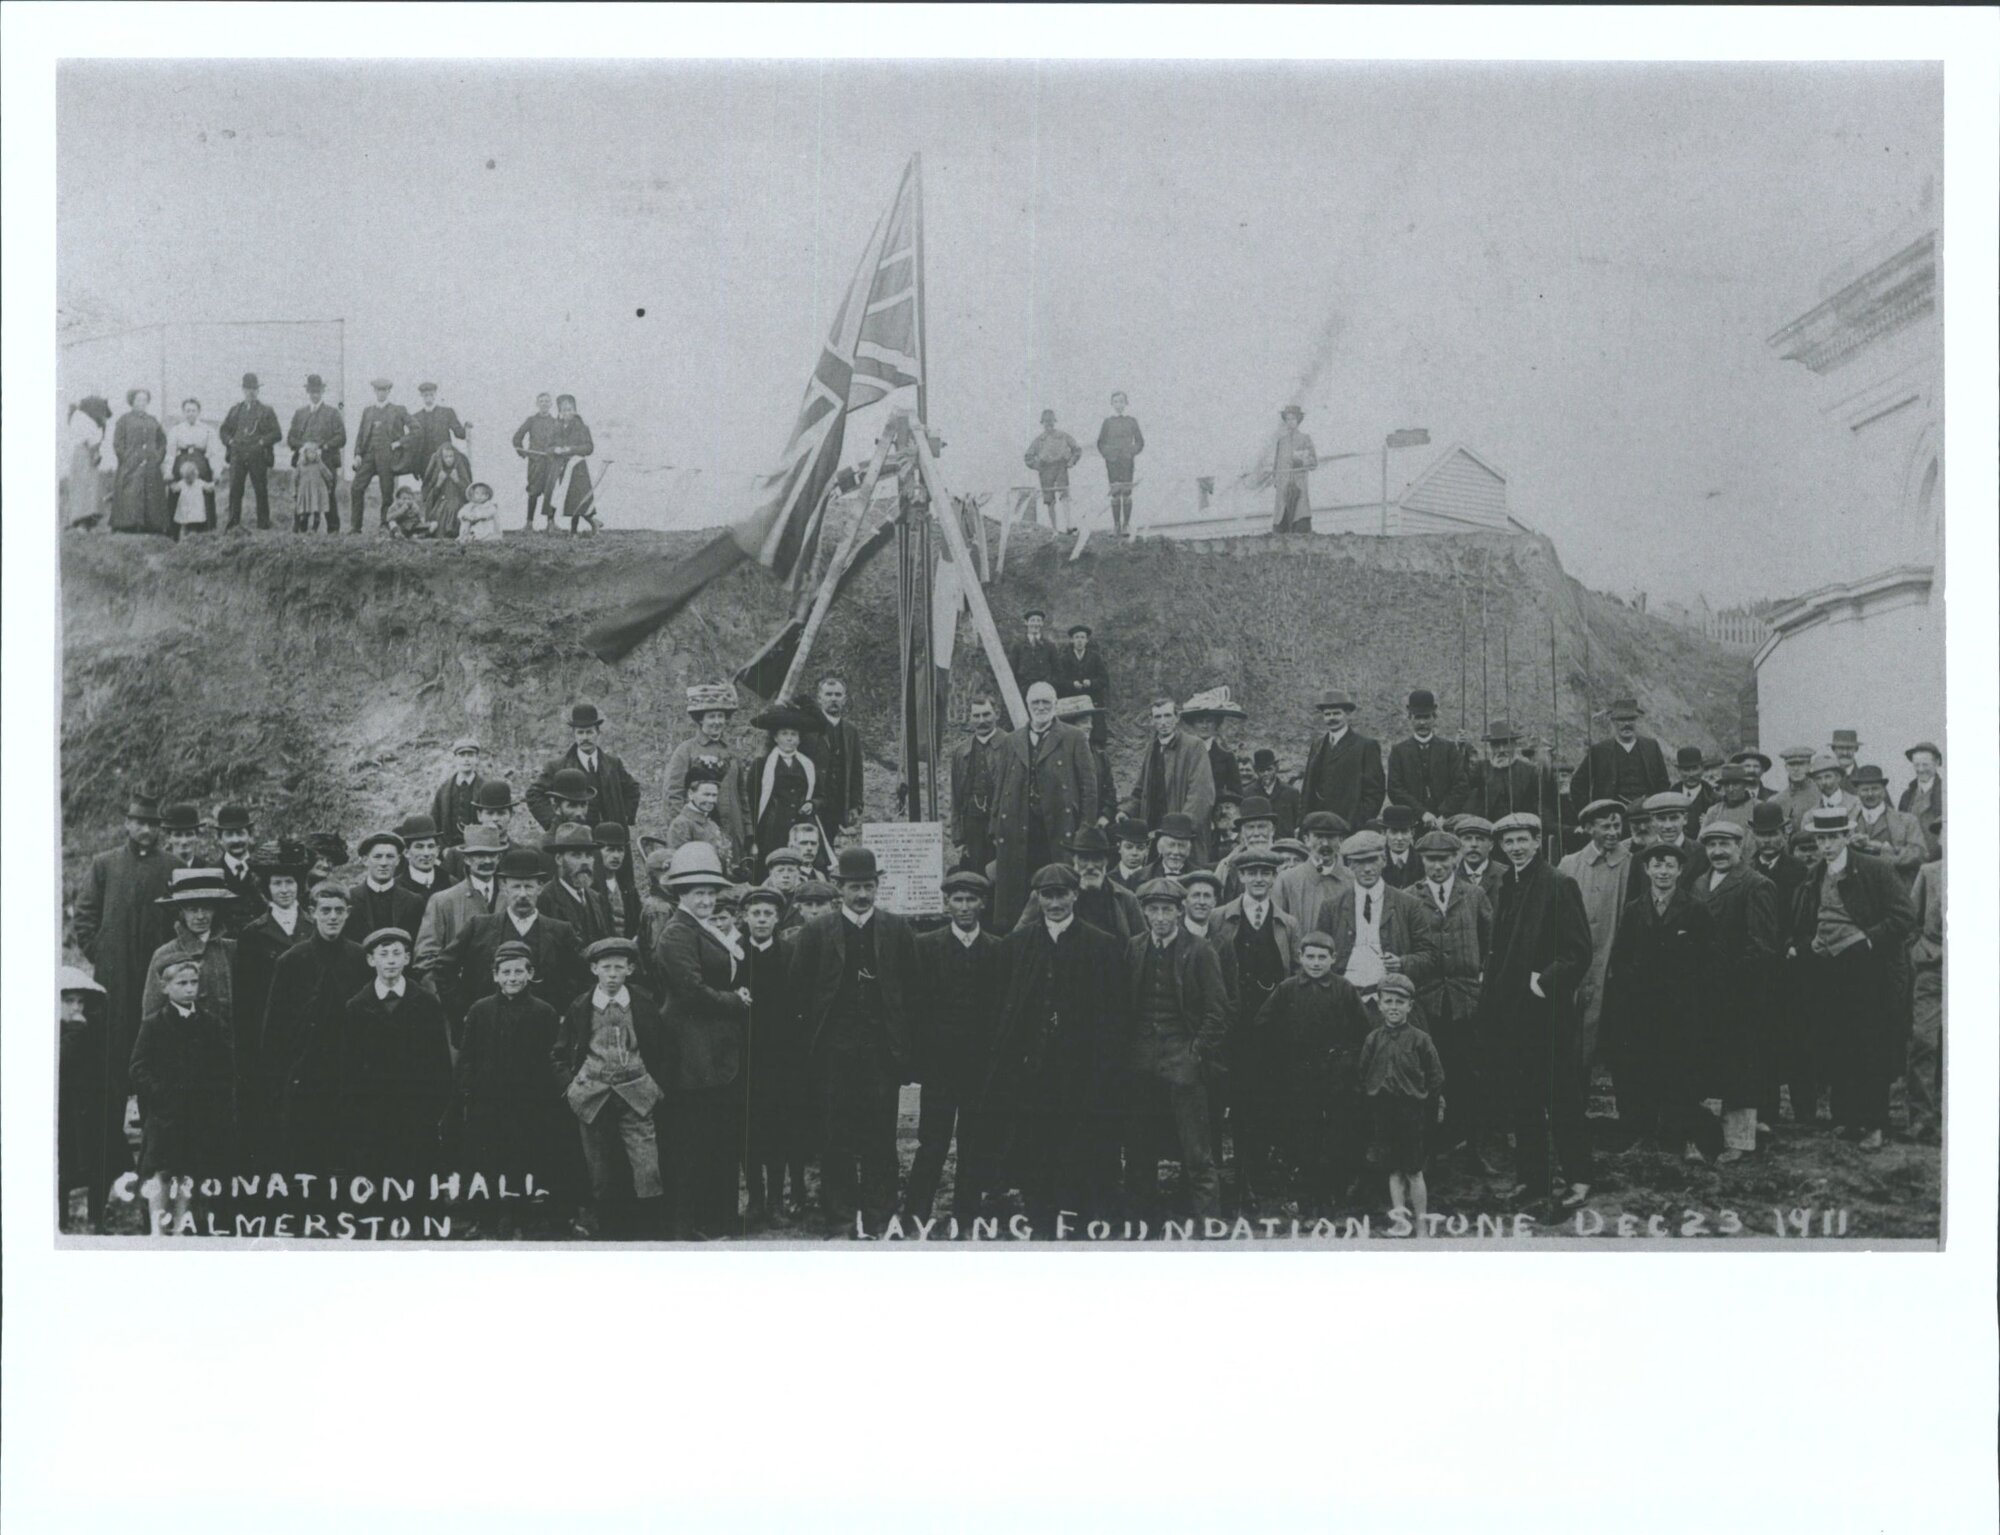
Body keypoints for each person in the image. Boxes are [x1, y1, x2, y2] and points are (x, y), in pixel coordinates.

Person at [983, 864, 1128, 1228]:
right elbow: (1004, 1007)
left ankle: (1078, 1217)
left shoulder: (1102, 945)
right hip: (1034, 1069)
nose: (1055, 903)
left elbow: (1114, 1016)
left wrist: (1104, 1068)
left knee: (1079, 1145)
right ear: (1038, 899)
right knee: (1035, 1144)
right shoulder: (1017, 945)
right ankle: (1041, 1216)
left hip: (1080, 1070)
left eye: (1062, 894)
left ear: (1075, 895)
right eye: (1047, 895)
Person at [790, 847, 918, 1237]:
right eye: (854, 887)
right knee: (836, 1138)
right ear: (839, 888)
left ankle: (880, 1216)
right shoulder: (816, 932)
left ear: (877, 886)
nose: (862, 895)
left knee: (881, 1138)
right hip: (834, 1054)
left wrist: (904, 1051)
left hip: (881, 1054)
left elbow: (912, 993)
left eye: (868, 886)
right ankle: (841, 1216)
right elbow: (799, 994)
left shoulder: (896, 930)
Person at [1482, 811, 1594, 1211]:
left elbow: (1578, 952)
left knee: (1561, 1096)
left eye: (1522, 839)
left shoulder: (1558, 883)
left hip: (1547, 1014)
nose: (1515, 847)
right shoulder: (1506, 884)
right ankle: (1534, 1178)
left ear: (1536, 840)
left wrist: (1542, 981)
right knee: (1524, 1099)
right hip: (1512, 1013)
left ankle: (1579, 1178)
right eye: (1508, 841)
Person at [1788, 808, 1915, 1150]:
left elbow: (1904, 916)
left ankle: (1874, 1123)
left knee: (1869, 1044)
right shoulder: (1814, 875)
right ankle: (1847, 1118)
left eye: (1832, 838)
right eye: (1820, 838)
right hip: (1828, 969)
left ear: (1846, 836)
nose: (1826, 845)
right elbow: (1806, 920)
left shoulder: (1874, 869)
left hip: (1868, 968)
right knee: (1837, 1042)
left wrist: (1867, 939)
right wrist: (1810, 942)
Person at [288, 927, 452, 1190]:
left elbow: (439, 1065)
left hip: (415, 1116)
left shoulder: (425, 1003)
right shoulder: (356, 1007)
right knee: (376, 1186)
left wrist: (429, 1110)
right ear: (370, 960)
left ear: (407, 959)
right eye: (383, 953)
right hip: (372, 1120)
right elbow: (347, 1070)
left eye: (397, 953)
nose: (390, 960)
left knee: (416, 1184)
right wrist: (356, 1115)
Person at [1601, 841, 1720, 1160]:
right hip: (1642, 1009)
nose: (1663, 871)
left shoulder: (1695, 909)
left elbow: (1709, 960)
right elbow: (1620, 957)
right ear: (1647, 870)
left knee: (1679, 1072)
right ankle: (1642, 1134)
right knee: (1642, 1069)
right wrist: (1633, 989)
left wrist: (1690, 994)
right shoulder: (1634, 909)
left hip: (1681, 1010)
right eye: (1657, 865)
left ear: (1680, 871)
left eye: (1669, 865)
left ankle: (1679, 1137)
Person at [656, 844, 751, 1239]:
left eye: (712, 892)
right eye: (698, 892)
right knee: (693, 1140)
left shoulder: (705, 929)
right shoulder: (677, 933)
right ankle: (690, 1223)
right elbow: (690, 991)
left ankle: (718, 1219)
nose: (707, 899)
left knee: (717, 1137)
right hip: (691, 1051)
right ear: (680, 894)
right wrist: (735, 1000)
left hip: (716, 1050)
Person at [1123, 877, 1228, 1223]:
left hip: (1182, 1059)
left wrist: (1195, 1053)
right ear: (1144, 912)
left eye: (1167, 909)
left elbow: (1217, 1012)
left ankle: (1208, 1221)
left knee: (1197, 1149)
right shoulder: (1135, 947)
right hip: (1141, 1060)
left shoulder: (1199, 950)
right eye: (1153, 910)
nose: (1161, 917)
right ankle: (1143, 1222)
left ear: (1179, 911)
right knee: (1140, 1148)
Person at [553, 935, 672, 1239]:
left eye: (619, 968)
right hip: (592, 1094)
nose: (612, 975)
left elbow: (662, 1048)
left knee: (647, 1165)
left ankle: (651, 1230)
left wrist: (656, 1085)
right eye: (606, 967)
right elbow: (560, 1053)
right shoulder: (581, 1006)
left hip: (637, 1092)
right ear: (594, 969)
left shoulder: (644, 1003)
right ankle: (609, 1230)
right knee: (600, 1169)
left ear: (630, 969)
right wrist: (571, 1087)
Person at [905, 870, 1006, 1221]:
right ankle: (916, 1213)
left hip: (980, 1068)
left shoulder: (996, 950)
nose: (964, 907)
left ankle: (967, 1215)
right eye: (958, 900)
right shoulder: (926, 946)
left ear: (983, 903)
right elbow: (915, 1008)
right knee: (932, 1142)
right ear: (947, 903)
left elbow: (999, 1011)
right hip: (940, 1067)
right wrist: (920, 1062)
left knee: (974, 1143)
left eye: (971, 900)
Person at [451, 940, 569, 1232]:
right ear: (495, 976)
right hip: (488, 1102)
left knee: (526, 1156)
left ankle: (524, 1217)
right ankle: (488, 1217)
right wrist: (469, 1089)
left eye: (519, 972)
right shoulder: (481, 1010)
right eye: (505, 972)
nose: (512, 978)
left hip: (530, 1103)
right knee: (489, 1159)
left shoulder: (544, 1012)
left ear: (530, 974)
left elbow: (552, 1057)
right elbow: (467, 1057)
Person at [1254, 931, 1372, 1213]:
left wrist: (1347, 1062)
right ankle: (1305, 1202)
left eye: (1322, 957)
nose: (1316, 963)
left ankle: (1335, 1201)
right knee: (1302, 1139)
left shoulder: (1344, 989)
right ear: (1300, 958)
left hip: (1336, 1077)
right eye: (1310, 957)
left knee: (1335, 1138)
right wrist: (1282, 1058)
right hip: (1298, 1076)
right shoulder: (1287, 989)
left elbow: (1363, 1031)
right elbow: (1263, 1025)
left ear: (1334, 959)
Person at [257, 884, 370, 1160]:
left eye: (339, 911)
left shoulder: (359, 959)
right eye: (326, 910)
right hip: (304, 1077)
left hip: (348, 1074)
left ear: (348, 914)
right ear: (313, 913)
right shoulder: (292, 961)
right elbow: (274, 1030)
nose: (332, 917)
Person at [434, 847, 585, 1048]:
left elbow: (580, 976)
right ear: (504, 887)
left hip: (542, 1035)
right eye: (516, 887)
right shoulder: (479, 926)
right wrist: (463, 1010)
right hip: (489, 1034)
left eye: (529, 887)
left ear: (540, 887)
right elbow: (444, 968)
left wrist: (566, 1014)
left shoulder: (560, 931)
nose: (522, 894)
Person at [1691, 820, 1780, 1161]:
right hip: (1704, 994)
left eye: (1725, 844)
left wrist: (1729, 980)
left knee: (1741, 1068)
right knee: (1710, 1067)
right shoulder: (1699, 883)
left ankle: (1740, 1142)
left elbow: (1762, 946)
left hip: (1741, 995)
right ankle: (1708, 1138)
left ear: (1741, 846)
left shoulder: (1757, 885)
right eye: (1711, 845)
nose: (1717, 851)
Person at [129, 956, 238, 1233]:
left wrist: (212, 1098)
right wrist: (161, 1093)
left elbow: (225, 1067)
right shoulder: (154, 1023)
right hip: (166, 1116)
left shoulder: (210, 1023)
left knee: (189, 1173)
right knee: (162, 1171)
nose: (189, 988)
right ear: (166, 988)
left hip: (198, 1115)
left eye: (193, 982)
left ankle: (180, 1227)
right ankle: (157, 1230)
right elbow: (138, 1067)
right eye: (182, 983)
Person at [1211, 846, 1295, 1201]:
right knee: (1234, 1099)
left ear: (1274, 877)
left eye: (1265, 873)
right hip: (1234, 1023)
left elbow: (1292, 973)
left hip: (1272, 1026)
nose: (1259, 879)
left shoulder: (1287, 923)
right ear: (1241, 877)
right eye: (1252, 872)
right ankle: (1233, 1179)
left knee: (1268, 1098)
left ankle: (1260, 1176)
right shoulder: (1220, 918)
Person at [988, 680, 1099, 930]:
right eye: (1035, 702)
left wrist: (1085, 831)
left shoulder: (1074, 737)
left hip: (1059, 831)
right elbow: (1000, 786)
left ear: (1055, 705)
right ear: (1027, 706)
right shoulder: (1012, 740)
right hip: (1019, 831)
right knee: (1016, 899)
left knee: (1059, 890)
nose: (1040, 707)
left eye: (1046, 702)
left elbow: (1089, 789)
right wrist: (995, 828)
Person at [1411, 827, 1491, 1162]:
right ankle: (1429, 1149)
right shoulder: (1409, 896)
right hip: (1426, 1001)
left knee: (1468, 1074)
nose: (1438, 867)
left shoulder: (1472, 895)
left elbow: (1489, 941)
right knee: (1428, 1074)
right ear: (1422, 861)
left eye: (1444, 859)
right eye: (1431, 860)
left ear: (1456, 859)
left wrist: (1478, 978)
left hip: (1465, 1001)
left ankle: (1472, 1146)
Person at [1321, 830, 1439, 1010]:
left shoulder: (1408, 905)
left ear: (1384, 860)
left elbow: (1430, 956)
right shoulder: (1332, 907)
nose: (1367, 869)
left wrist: (1402, 962)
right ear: (1349, 865)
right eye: (1360, 862)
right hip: (1343, 1002)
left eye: (1373, 860)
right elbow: (1320, 955)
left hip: (1391, 1003)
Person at [1359, 973, 1445, 1218]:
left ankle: (1421, 1219)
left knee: (1414, 1170)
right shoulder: (1373, 1039)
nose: (1393, 1007)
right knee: (1393, 1169)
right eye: (1388, 1001)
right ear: (1380, 1003)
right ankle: (1400, 1217)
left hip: (1412, 1113)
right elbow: (1363, 1072)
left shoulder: (1420, 1039)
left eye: (1400, 1002)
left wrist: (1431, 1105)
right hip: (1384, 1111)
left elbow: (1436, 1076)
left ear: (1410, 1005)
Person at [1556, 799, 1632, 1067]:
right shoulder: (1569, 864)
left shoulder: (1631, 864)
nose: (1613, 832)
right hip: (1575, 960)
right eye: (1605, 826)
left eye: (1617, 825)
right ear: (1589, 828)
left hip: (1612, 959)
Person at [58, 967, 116, 1230]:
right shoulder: (60, 1033)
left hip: (88, 1111)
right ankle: (60, 1220)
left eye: (80, 1001)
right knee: (62, 1168)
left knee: (98, 1166)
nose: (76, 1008)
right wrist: (73, 1033)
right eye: (69, 1001)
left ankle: (97, 1218)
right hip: (63, 1113)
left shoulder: (90, 1031)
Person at [415, 825, 504, 996]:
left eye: (492, 855)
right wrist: (444, 998)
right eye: (479, 855)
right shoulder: (443, 901)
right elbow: (426, 959)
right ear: (467, 859)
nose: (487, 861)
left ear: (499, 857)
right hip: (461, 997)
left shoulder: (511, 898)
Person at [527, 702, 643, 831]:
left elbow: (632, 789)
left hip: (611, 838)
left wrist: (625, 816)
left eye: (589, 732)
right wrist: (553, 824)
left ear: (598, 733)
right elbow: (533, 794)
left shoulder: (613, 764)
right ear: (574, 735)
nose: (585, 738)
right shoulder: (558, 767)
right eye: (580, 733)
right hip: (576, 840)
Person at [664, 684, 750, 854]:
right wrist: (683, 830)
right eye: (711, 716)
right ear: (701, 719)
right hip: (699, 832)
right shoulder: (686, 751)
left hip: (734, 829)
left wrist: (748, 830)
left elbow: (742, 794)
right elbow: (673, 794)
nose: (717, 721)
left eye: (721, 716)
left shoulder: (732, 752)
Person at [1132, 695, 1217, 862]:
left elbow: (1201, 794)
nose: (1163, 722)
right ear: (1152, 721)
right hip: (1154, 830)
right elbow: (1141, 788)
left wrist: (1181, 829)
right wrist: (1126, 810)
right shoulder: (1152, 749)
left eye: (1167, 715)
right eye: (1158, 717)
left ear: (1177, 718)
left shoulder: (1194, 746)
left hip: (1182, 836)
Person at [1905, 820, 1943, 1144]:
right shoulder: (1930, 873)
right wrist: (1922, 950)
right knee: (1924, 1040)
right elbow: (1910, 920)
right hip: (1933, 968)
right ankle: (1922, 1117)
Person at [1301, 691, 1386, 830]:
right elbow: (1307, 789)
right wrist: (1304, 822)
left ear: (1347, 714)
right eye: (1327, 714)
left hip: (1349, 825)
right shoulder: (1317, 745)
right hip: (1318, 824)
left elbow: (1375, 792)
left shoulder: (1365, 746)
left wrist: (1358, 822)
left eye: (1336, 713)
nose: (1331, 718)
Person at [747, 701, 821, 861]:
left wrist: (812, 804)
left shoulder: (807, 765)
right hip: (772, 829)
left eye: (793, 734)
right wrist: (753, 835)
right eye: (784, 734)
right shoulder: (762, 765)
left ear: (799, 739)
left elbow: (821, 795)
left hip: (800, 827)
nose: (789, 739)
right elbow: (751, 801)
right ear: (775, 737)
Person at [1570, 696, 1670, 811]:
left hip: (1646, 812)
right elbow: (1578, 784)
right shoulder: (1599, 750)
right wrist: (1590, 812)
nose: (1626, 724)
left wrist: (1659, 808)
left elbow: (1663, 782)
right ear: (1613, 721)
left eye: (1631, 719)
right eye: (1621, 720)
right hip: (1612, 815)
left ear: (1637, 720)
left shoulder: (1651, 746)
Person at [1386, 690, 1469, 828]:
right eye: (1417, 717)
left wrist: (1444, 815)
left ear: (1434, 717)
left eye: (1426, 717)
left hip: (1446, 823)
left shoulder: (1449, 749)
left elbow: (1461, 786)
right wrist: (1422, 814)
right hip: (1412, 823)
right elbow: (1395, 789)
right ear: (1410, 717)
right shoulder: (1398, 751)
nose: (1422, 723)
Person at [948, 692, 1007, 877]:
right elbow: (955, 796)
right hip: (973, 823)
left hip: (1001, 823)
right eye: (976, 715)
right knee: (975, 874)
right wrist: (958, 835)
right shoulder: (961, 751)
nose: (981, 721)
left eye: (986, 714)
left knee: (1001, 876)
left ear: (997, 714)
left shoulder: (1011, 744)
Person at [1455, 719, 1556, 827]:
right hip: (1488, 828)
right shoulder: (1481, 768)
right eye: (1496, 745)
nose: (1501, 750)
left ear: (1514, 745)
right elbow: (1462, 782)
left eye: (1506, 744)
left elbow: (1542, 805)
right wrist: (1461, 750)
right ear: (1491, 747)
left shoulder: (1529, 771)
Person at [1271, 809, 1354, 939]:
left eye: (1331, 837)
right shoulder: (1287, 880)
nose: (1325, 843)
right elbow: (1278, 928)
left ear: (1341, 841)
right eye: (1319, 836)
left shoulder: (1351, 880)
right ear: (1306, 840)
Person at [217, 373, 282, 532]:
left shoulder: (266, 411)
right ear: (243, 390)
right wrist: (231, 442)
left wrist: (261, 442)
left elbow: (277, 434)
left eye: (254, 389)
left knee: (260, 490)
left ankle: (263, 525)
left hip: (257, 455)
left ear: (258, 390)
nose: (250, 392)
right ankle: (233, 525)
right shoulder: (235, 410)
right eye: (247, 389)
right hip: (238, 455)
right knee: (235, 490)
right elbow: (223, 431)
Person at [536, 823, 615, 948]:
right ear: (559, 859)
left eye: (589, 855)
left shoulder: (597, 899)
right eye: (576, 855)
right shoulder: (544, 899)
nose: (584, 862)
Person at [804, 675, 864, 834]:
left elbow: (856, 770)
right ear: (819, 698)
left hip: (838, 803)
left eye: (838, 695)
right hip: (813, 802)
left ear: (844, 699)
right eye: (828, 694)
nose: (833, 699)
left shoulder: (851, 731)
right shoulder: (808, 727)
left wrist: (855, 805)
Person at [344, 830, 427, 945]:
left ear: (398, 860)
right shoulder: (349, 899)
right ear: (365, 860)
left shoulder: (413, 901)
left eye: (390, 856)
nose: (384, 863)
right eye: (378, 857)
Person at [350, 377, 411, 532]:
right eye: (378, 390)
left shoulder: (398, 410)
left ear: (389, 391)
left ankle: (385, 525)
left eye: (384, 390)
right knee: (356, 487)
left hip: (388, 457)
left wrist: (400, 442)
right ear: (375, 391)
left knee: (387, 492)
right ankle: (355, 527)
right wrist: (357, 454)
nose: (381, 393)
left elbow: (416, 430)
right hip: (369, 456)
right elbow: (361, 434)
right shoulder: (368, 411)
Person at [286, 374, 346, 529]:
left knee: (328, 494)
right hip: (304, 463)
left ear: (322, 392)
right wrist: (304, 447)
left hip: (325, 461)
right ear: (308, 392)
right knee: (302, 494)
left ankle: (333, 530)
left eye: (317, 391)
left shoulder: (332, 413)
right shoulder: (300, 413)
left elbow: (341, 437)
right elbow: (291, 438)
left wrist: (324, 446)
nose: (314, 395)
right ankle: (300, 528)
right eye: (312, 391)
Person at [1846, 764, 1927, 879]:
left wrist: (1882, 848)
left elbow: (1920, 855)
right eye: (1865, 790)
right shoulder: (1847, 822)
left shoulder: (1907, 821)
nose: (1870, 794)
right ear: (1857, 792)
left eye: (1875, 788)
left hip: (1896, 887)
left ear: (1883, 791)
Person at [110, 387, 170, 535]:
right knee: (130, 493)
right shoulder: (124, 420)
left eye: (144, 400)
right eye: (138, 400)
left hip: (151, 465)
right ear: (132, 402)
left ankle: (152, 526)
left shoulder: (153, 420)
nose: (142, 403)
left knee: (151, 493)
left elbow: (162, 441)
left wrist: (157, 457)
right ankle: (129, 525)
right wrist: (126, 459)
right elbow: (118, 443)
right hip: (130, 465)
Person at [1181, 687, 1246, 806]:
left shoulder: (1226, 757)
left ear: (1216, 724)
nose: (1204, 726)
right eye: (1200, 721)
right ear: (1193, 724)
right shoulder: (1182, 754)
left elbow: (1236, 792)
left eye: (1209, 721)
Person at [1023, 409, 1083, 531]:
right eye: (1046, 422)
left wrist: (1071, 461)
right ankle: (1054, 529)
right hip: (1045, 470)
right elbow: (1028, 457)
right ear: (1042, 423)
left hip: (1061, 467)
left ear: (1054, 422)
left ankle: (1069, 525)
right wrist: (1037, 466)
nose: (1048, 424)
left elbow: (1077, 449)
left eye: (1050, 421)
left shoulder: (1063, 436)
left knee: (1065, 495)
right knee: (1049, 499)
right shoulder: (1039, 440)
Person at [1051, 625, 1111, 747]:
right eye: (1076, 637)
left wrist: (1091, 683)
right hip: (1070, 703)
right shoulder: (1064, 659)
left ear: (1087, 640)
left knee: (1095, 736)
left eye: (1082, 637)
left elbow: (1104, 679)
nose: (1079, 640)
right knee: (1071, 736)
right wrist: (1072, 684)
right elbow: (1058, 681)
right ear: (1072, 640)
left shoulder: (1095, 657)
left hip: (1092, 701)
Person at [549, 394, 599, 533]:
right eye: (564, 410)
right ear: (559, 412)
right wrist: (555, 449)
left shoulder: (582, 427)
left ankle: (574, 531)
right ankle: (593, 522)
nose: (567, 413)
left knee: (578, 499)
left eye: (570, 409)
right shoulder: (556, 428)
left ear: (575, 410)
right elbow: (548, 447)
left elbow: (589, 448)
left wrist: (571, 449)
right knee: (563, 498)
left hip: (578, 468)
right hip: (562, 467)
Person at [164, 397, 218, 526]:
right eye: (187, 411)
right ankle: (173, 529)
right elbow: (170, 453)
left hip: (201, 462)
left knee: (203, 488)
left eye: (193, 410)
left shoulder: (207, 429)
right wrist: (168, 473)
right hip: (181, 460)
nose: (190, 414)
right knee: (177, 489)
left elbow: (212, 452)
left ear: (198, 412)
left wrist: (216, 471)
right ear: (183, 412)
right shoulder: (176, 430)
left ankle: (206, 527)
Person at [1096, 392, 1145, 536]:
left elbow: (1140, 442)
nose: (1119, 405)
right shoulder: (1107, 422)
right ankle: (1116, 525)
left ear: (1126, 403)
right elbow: (1100, 443)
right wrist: (1108, 454)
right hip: (1112, 461)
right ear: (1112, 404)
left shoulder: (1131, 421)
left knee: (1127, 492)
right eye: (1116, 402)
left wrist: (1131, 452)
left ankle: (1126, 525)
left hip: (1127, 460)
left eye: (1121, 401)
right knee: (1115, 492)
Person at [510, 392, 561, 528]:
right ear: (538, 404)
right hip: (536, 462)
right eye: (541, 401)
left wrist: (558, 452)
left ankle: (551, 523)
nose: (544, 404)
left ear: (551, 404)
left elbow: (562, 442)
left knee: (551, 491)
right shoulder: (531, 420)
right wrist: (523, 452)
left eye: (547, 401)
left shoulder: (556, 422)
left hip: (551, 462)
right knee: (533, 491)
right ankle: (529, 523)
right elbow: (517, 438)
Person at [430, 737, 488, 850]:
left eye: (470, 755)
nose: (466, 760)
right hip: (448, 850)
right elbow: (434, 823)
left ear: (477, 759)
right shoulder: (444, 789)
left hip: (477, 849)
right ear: (455, 759)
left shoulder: (485, 788)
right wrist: (442, 849)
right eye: (462, 755)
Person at [1270, 404, 1317, 533]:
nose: (1290, 422)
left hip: (1298, 484)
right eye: (1288, 419)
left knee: (1300, 517)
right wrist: (1276, 479)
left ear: (1298, 421)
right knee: (1281, 519)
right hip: (1283, 486)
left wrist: (1300, 459)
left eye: (1293, 419)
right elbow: (1276, 464)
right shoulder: (1281, 441)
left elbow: (1313, 463)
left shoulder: (1305, 439)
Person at [65, 395, 111, 529]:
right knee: (86, 489)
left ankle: (82, 521)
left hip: (80, 455)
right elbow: (90, 440)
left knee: (84, 488)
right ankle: (83, 523)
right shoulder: (85, 419)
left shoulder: (78, 417)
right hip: (86, 455)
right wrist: (95, 454)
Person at [409, 381, 470, 473]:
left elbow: (460, 434)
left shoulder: (447, 413)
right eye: (426, 395)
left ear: (435, 395)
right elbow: (413, 442)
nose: (428, 397)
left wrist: (466, 428)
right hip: (425, 462)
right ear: (421, 396)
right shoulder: (416, 417)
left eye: (431, 394)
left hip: (444, 459)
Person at [1898, 742, 1943, 861]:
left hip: (1937, 862)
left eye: (1925, 765)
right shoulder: (1907, 796)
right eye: (1917, 765)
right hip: (1912, 862)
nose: (1921, 769)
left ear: (1937, 763)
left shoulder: (1946, 794)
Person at [1796, 753, 1860, 832]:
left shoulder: (1856, 805)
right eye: (1818, 778)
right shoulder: (1809, 816)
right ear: (1814, 781)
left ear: (1838, 777)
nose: (1824, 782)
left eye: (1828, 776)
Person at [423, 440, 473, 539]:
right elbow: (430, 497)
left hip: (458, 504)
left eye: (451, 456)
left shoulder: (459, 472)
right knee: (440, 514)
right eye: (446, 457)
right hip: (441, 505)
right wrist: (438, 484)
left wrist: (457, 481)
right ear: (441, 458)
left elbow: (468, 495)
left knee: (455, 510)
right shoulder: (437, 473)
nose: (449, 460)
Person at [1006, 609, 1061, 695]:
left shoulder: (1050, 646)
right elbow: (1012, 669)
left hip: (1045, 690)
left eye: (1038, 620)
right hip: (1024, 690)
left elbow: (1057, 670)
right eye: (1032, 620)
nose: (1035, 624)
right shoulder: (1018, 646)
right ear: (1026, 622)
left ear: (1042, 623)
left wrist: (1049, 685)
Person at [1768, 746, 1820, 829]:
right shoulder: (1777, 800)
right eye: (1791, 764)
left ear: (1810, 766)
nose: (1796, 769)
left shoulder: (1820, 795)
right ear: (1786, 767)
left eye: (1801, 764)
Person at [291, 441, 334, 533]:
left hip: (316, 491)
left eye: (314, 453)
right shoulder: (301, 465)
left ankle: (314, 528)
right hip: (305, 492)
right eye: (310, 452)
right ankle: (302, 528)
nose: (312, 455)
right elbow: (295, 478)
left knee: (316, 510)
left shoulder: (319, 464)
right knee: (304, 511)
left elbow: (328, 474)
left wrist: (329, 485)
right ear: (305, 453)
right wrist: (295, 491)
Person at [1380, 806, 1423, 889]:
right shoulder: (1377, 861)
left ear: (1412, 833)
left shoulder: (1422, 861)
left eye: (1404, 832)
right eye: (1394, 832)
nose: (1399, 838)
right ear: (1384, 833)